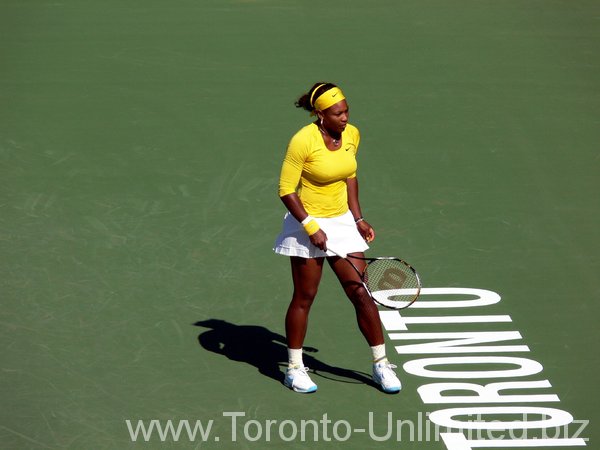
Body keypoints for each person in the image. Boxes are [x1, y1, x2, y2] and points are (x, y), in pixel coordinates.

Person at [273, 82, 402, 394]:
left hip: (342, 221)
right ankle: (294, 368)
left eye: (346, 110)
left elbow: (350, 177)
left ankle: (380, 364)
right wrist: (310, 227)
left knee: (360, 292)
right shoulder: (303, 141)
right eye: (337, 112)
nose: (344, 117)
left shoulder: (352, 135)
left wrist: (357, 218)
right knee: (305, 297)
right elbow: (286, 190)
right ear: (320, 114)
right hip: (307, 220)